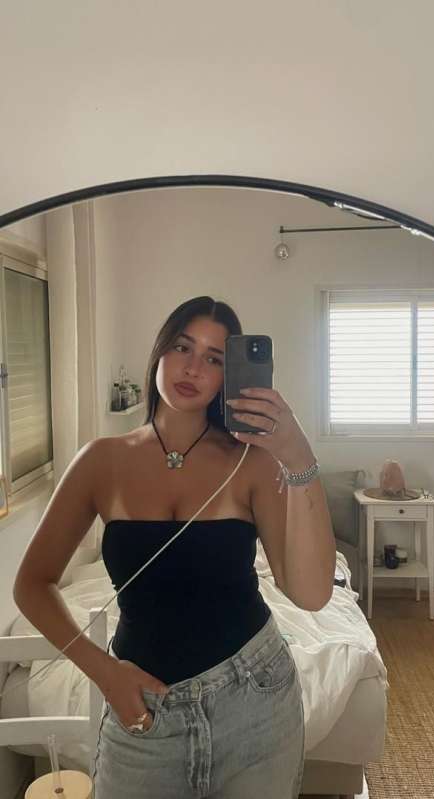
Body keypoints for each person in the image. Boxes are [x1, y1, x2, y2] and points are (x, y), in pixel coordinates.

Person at [13, 295, 336, 799]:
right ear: (160, 352)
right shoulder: (101, 461)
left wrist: (297, 455)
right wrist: (106, 674)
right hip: (142, 715)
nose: (193, 368)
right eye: (183, 347)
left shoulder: (250, 462)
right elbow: (32, 584)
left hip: (255, 700)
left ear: (227, 374)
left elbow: (312, 595)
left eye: (213, 358)